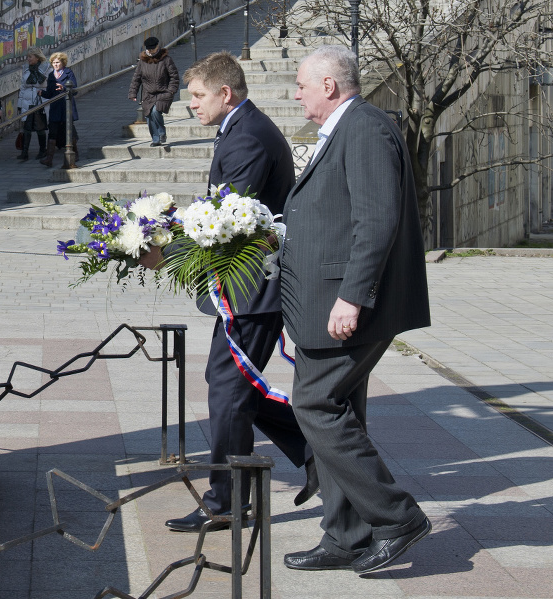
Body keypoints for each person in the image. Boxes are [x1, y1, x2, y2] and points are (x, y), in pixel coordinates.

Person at [140, 52, 318, 533]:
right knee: (231, 386)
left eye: (197, 96)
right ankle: (317, 448)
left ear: (226, 93)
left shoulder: (248, 138)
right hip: (246, 286)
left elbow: (226, 219)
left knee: (229, 387)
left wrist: (164, 248)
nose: (190, 104)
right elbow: (220, 210)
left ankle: (228, 501)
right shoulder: (242, 129)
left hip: (255, 287)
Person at [280, 46, 432, 574]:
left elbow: (376, 220)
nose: (295, 93)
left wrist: (351, 295)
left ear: (328, 85)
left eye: (301, 84)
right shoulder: (347, 127)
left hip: (347, 304)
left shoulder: (364, 127)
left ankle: (397, 517)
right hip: (325, 301)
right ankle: (345, 534)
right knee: (336, 410)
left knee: (316, 405)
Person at [128, 36, 179, 147]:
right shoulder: (142, 61)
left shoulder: (166, 60)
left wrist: (171, 91)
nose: (150, 51)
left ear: (157, 47)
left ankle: (161, 133)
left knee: (156, 111)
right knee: (148, 115)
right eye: (148, 49)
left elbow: (174, 77)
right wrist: (133, 93)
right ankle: (155, 139)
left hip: (163, 92)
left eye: (153, 49)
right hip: (148, 93)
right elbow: (136, 78)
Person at [39, 52, 79, 167]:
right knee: (52, 131)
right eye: (53, 63)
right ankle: (49, 158)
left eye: (57, 62)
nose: (55, 65)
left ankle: (75, 154)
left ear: (63, 63)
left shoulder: (68, 72)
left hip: (66, 106)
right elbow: (50, 92)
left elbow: (75, 89)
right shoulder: (51, 75)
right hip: (55, 107)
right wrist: (42, 93)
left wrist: (65, 87)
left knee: (69, 130)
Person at [17, 47, 52, 161]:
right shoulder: (26, 69)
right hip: (27, 100)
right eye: (28, 57)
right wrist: (20, 103)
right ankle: (24, 152)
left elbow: (48, 84)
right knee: (26, 127)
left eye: (30, 57)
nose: (28, 59)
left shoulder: (47, 69)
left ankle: (43, 150)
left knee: (40, 127)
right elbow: (22, 86)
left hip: (40, 99)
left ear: (37, 58)